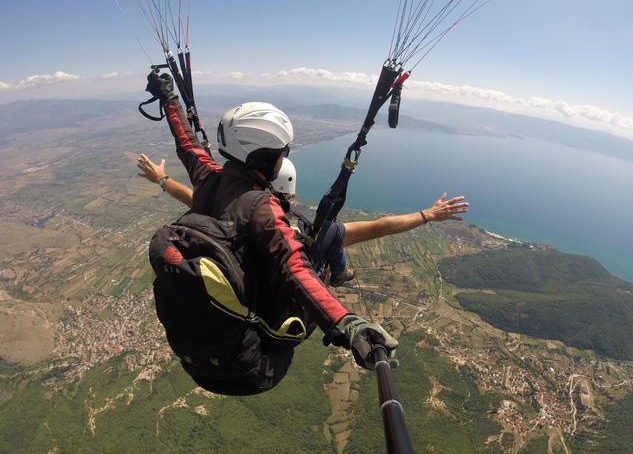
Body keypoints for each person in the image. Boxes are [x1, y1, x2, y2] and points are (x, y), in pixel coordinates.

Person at [144, 72, 398, 396]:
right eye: (283, 151)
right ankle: (338, 271)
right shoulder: (263, 207)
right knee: (323, 237)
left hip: (197, 358)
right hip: (254, 367)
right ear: (263, 155)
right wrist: (346, 323)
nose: (285, 157)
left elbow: (187, 143)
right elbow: (295, 268)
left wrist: (169, 99)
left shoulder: (207, 178)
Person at [138, 154, 469, 286]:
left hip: (248, 285)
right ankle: (338, 274)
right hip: (285, 294)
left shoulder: (233, 214)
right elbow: (377, 227)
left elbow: (196, 199)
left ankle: (339, 272)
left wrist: (162, 180)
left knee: (331, 233)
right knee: (331, 234)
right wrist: (428, 215)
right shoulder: (304, 232)